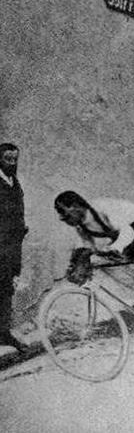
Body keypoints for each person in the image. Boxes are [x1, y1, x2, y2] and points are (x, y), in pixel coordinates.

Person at [54, 191, 134, 324]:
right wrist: (77, 266)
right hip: (129, 240)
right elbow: (87, 248)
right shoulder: (81, 227)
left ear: (75, 207)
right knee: (110, 269)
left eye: (66, 215)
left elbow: (127, 231)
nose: (65, 220)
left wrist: (115, 247)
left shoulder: (102, 207)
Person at [0, 143, 29, 352]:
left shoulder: (14, 182)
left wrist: (21, 228)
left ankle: (3, 333)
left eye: (14, 159)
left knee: (7, 287)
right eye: (7, 159)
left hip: (12, 246)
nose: (12, 163)